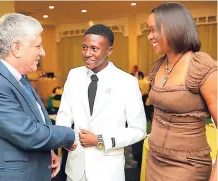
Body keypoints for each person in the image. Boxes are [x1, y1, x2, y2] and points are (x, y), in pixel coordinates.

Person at [0, 13, 75, 181]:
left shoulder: (18, 77)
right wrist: (69, 135)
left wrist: (48, 152)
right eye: (38, 46)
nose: (43, 52)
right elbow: (28, 134)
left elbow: (34, 119)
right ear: (16, 47)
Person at [56, 24, 147, 181]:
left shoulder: (127, 82)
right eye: (84, 47)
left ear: (109, 50)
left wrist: (100, 140)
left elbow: (139, 130)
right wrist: (65, 137)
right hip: (75, 170)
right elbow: (64, 113)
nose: (87, 53)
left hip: (108, 171)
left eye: (94, 48)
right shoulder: (74, 75)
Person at [146, 3, 217, 181]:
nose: (149, 36)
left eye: (154, 30)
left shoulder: (201, 66)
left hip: (187, 166)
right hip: (154, 161)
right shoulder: (158, 66)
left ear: (173, 28)